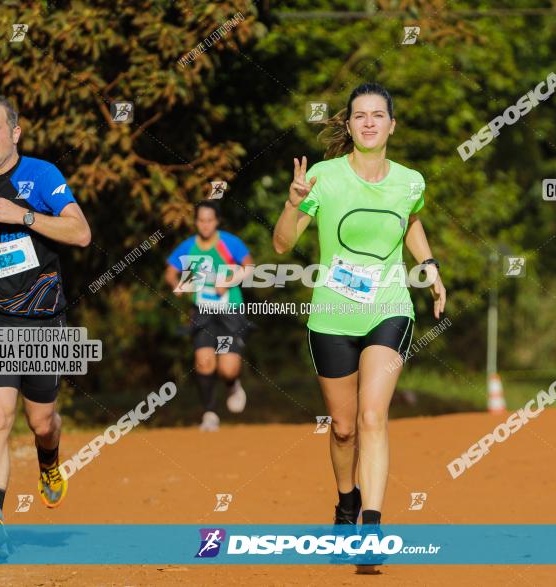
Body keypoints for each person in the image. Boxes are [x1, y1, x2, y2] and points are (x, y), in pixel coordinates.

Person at [272, 82, 446, 559]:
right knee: (344, 427)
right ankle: (346, 503)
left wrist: (429, 266)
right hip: (332, 312)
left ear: (392, 124)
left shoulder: (411, 180)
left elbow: (411, 221)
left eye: (378, 115)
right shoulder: (322, 178)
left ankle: (371, 527)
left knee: (373, 415)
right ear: (348, 126)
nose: (369, 122)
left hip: (390, 308)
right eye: (359, 115)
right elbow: (282, 246)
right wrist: (293, 202)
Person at [0, 95, 91, 556]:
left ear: (15, 132)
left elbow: (81, 233)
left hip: (43, 319)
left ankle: (49, 458)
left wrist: (24, 215)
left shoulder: (43, 175)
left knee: (41, 421)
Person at [165, 200, 254, 432]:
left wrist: (229, 280)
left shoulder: (229, 243)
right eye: (201, 220)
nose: (205, 225)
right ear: (196, 222)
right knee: (203, 361)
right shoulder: (187, 246)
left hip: (229, 312)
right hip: (202, 314)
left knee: (227, 367)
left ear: (217, 221)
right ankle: (210, 412)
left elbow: (249, 267)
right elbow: (170, 274)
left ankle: (233, 385)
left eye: (209, 220)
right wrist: (182, 286)